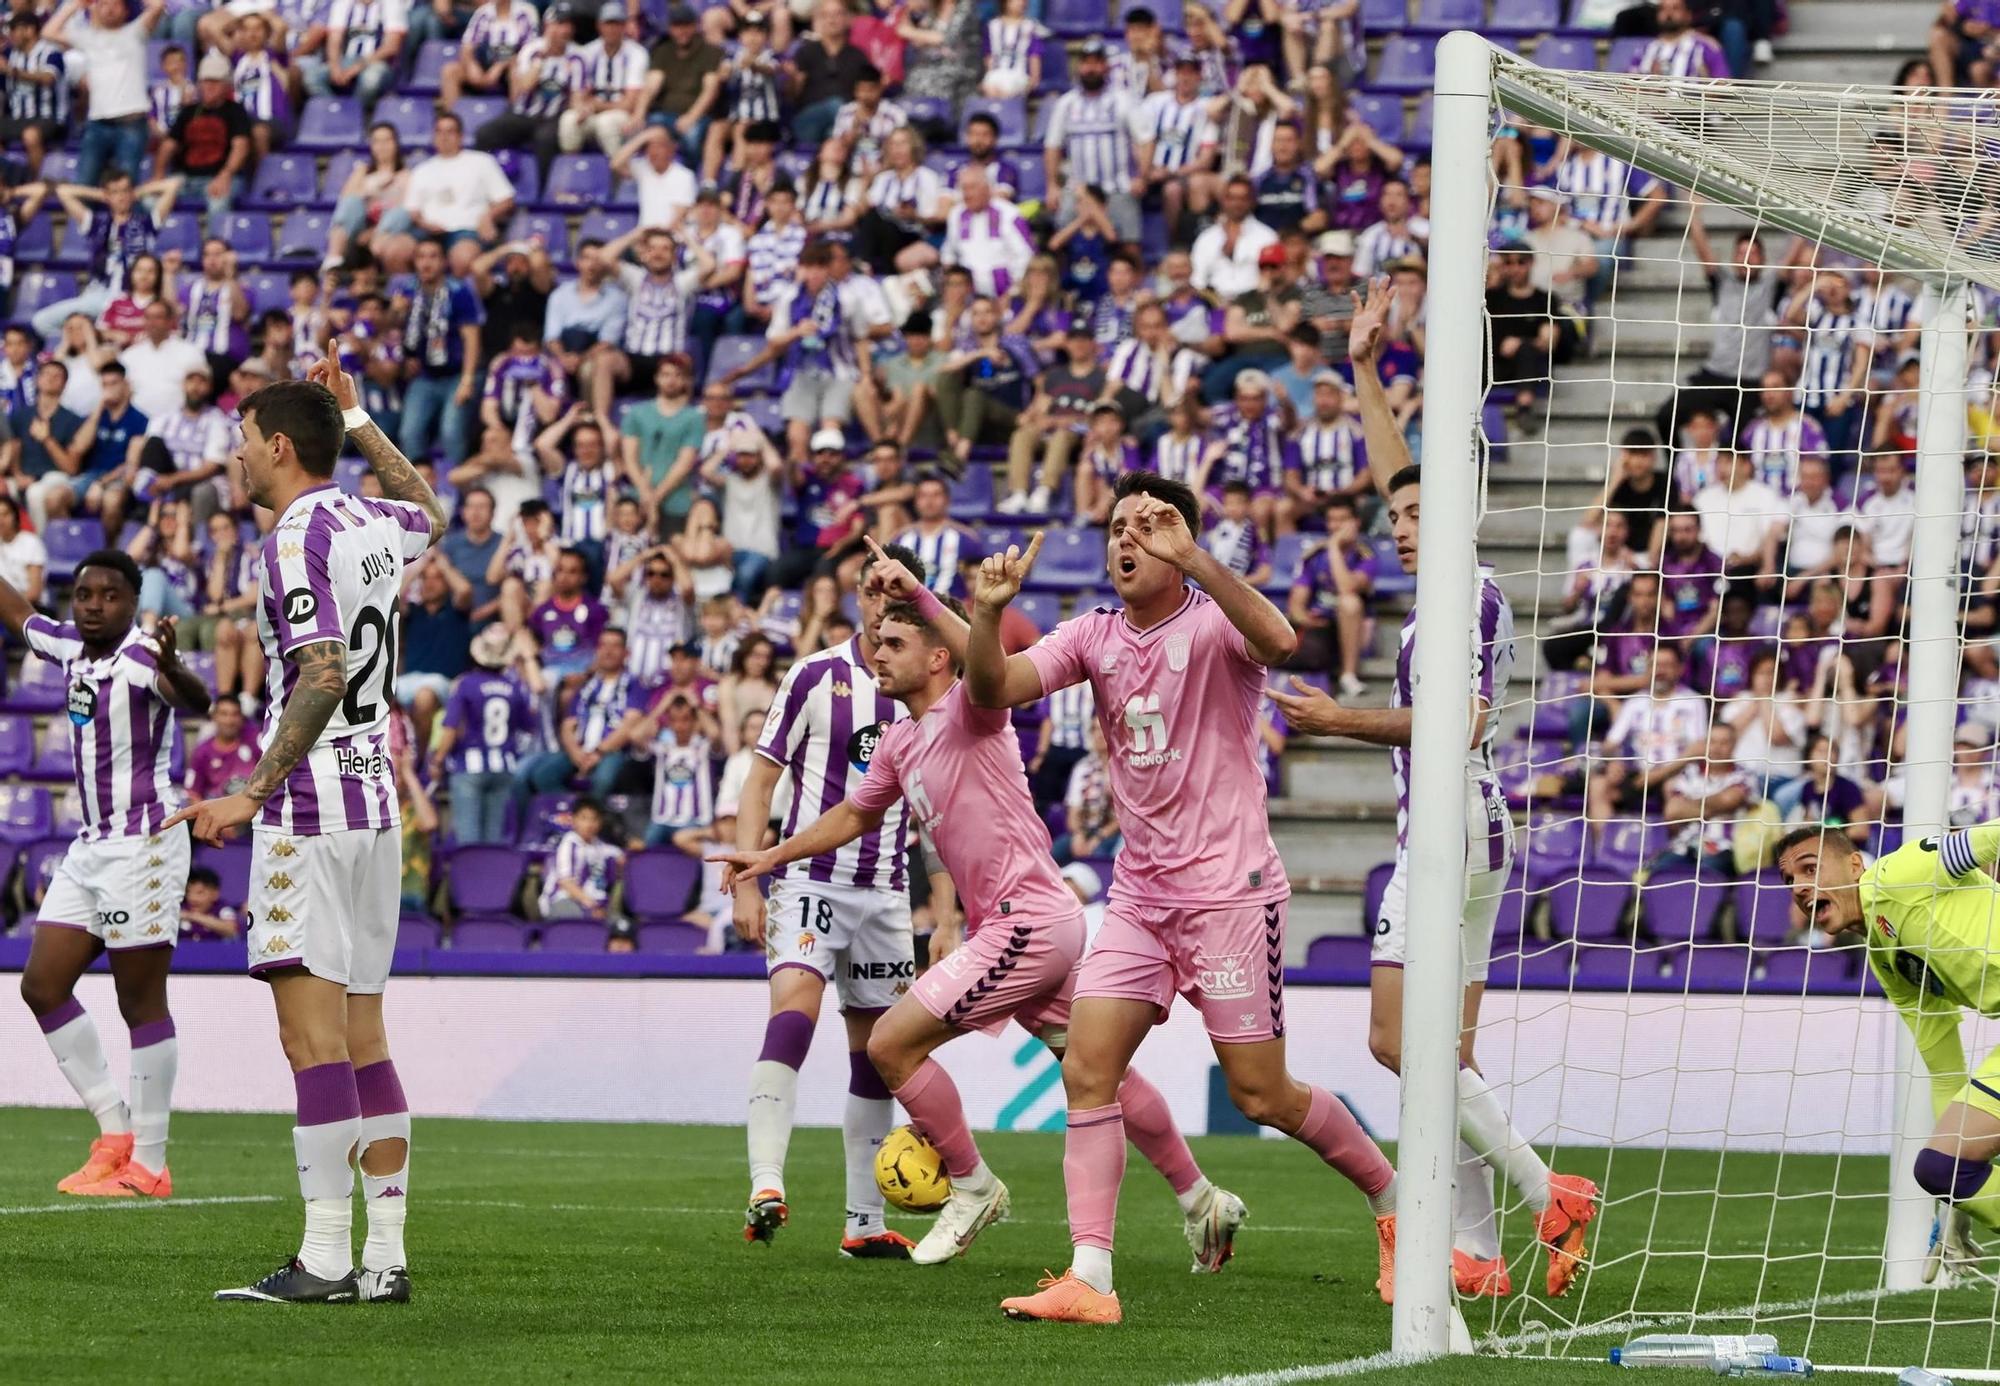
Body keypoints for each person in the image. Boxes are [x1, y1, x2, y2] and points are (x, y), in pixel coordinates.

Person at [960, 473, 1398, 1325]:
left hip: (1230, 896)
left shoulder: (1214, 622)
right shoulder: (1093, 633)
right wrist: (985, 615)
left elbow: (1280, 641)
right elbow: (990, 692)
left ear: (1181, 542)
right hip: (1140, 898)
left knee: (1262, 1096)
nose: (1128, 539)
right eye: (1119, 526)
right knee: (1088, 1068)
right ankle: (1091, 1277)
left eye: (1149, 526)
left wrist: (1195, 558)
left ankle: (1391, 1204)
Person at [718, 569, 1247, 1269]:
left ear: (939, 656)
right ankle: (1200, 1198)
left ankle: (971, 1187)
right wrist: (770, 856)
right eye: (876, 642)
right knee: (1097, 1072)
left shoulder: (974, 707)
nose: (878, 654)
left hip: (1024, 924)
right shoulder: (902, 742)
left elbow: (985, 664)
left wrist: (963, 607)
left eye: (896, 642)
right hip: (1033, 924)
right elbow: (851, 814)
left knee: (889, 1046)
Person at [1267, 278, 1598, 1300]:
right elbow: (1392, 471)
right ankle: (1478, 1250)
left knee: (1389, 1038)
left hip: (1449, 828)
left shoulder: (1468, 595)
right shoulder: (1452, 585)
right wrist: (1363, 367)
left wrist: (1336, 720)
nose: (1400, 525)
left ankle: (1551, 1191)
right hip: (1473, 833)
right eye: (1395, 516)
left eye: (1416, 513)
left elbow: (1457, 724)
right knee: (1439, 1061)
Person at [167, 354, 447, 1304]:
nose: (236, 458)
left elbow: (322, 671)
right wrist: (363, 418)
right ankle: (386, 1259)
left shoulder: (293, 535)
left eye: (244, 442)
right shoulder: (373, 519)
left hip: (312, 807)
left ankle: (326, 1256)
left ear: (279, 447)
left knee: (311, 1042)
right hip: (376, 806)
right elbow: (433, 515)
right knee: (367, 1036)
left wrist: (251, 788)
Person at [730, 541, 928, 1256]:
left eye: (894, 593)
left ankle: (864, 1225)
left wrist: (951, 902)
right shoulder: (816, 676)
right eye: (871, 591)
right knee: (795, 1012)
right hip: (810, 880)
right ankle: (765, 1181)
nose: (881, 604)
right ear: (855, 599)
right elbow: (760, 782)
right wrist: (749, 879)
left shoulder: (932, 688)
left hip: (885, 894)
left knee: (876, 1053)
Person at [12, 550, 210, 1199]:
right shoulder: (69, 647)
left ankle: (150, 1165)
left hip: (145, 844)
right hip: (91, 846)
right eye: (86, 594)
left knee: (139, 1002)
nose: (95, 604)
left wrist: (175, 660)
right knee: (41, 986)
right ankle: (115, 1133)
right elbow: (18, 613)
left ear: (132, 603)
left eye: (110, 595)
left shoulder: (142, 659)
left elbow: (195, 697)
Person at [1775, 821, 2000, 1255]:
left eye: (1810, 868)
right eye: (1790, 881)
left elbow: (1990, 837)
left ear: (1855, 864)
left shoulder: (1899, 873)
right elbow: (1946, 1075)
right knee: (1943, 1169)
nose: (1801, 888)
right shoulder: (1888, 962)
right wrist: (1956, 1204)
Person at [432, 624, 538, 844]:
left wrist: (438, 759)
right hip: (504, 767)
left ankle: (471, 878)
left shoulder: (466, 684)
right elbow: (529, 725)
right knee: (494, 840)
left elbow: (450, 726)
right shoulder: (514, 687)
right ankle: (492, 878)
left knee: (469, 839)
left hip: (469, 766)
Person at [45, 0, 166, 189]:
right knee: (83, 186)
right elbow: (48, 32)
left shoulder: (136, 32)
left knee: (126, 188)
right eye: (103, 4)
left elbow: (158, 6)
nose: (109, 8)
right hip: (97, 124)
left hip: (131, 124)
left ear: (126, 10)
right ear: (95, 8)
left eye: (115, 4)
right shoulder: (87, 37)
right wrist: (76, 5)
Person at [157, 52, 253, 220]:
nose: (209, 86)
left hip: (220, 175)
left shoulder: (235, 111)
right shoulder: (188, 111)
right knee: (150, 201)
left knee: (218, 204)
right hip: (185, 178)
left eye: (215, 82)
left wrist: (226, 175)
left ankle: (214, 246)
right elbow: (169, 145)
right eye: (205, 81)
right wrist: (158, 174)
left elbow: (241, 147)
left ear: (226, 85)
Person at [538, 797, 623, 920]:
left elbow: (619, 855)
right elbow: (565, 883)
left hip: (593, 904)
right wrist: (591, 907)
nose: (589, 824)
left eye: (594, 819)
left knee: (621, 927)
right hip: (562, 901)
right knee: (579, 919)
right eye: (584, 818)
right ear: (574, 820)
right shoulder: (569, 842)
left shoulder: (601, 846)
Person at [187, 691, 260, 801]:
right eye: (224, 714)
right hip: (218, 810)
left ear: (241, 718)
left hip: (252, 808)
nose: (229, 721)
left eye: (234, 714)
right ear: (214, 717)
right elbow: (193, 794)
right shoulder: (202, 752)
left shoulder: (254, 744)